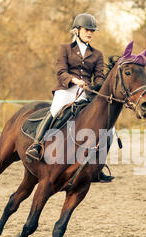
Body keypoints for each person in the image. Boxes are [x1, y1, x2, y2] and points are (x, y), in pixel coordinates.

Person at [26, 13, 114, 182]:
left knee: (109, 128)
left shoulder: (97, 54)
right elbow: (60, 71)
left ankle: (98, 167)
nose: (90, 33)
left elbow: (100, 76)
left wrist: (94, 86)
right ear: (77, 30)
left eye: (92, 31)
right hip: (67, 89)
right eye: (87, 30)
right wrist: (74, 80)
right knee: (55, 109)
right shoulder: (65, 49)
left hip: (87, 93)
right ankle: (36, 145)